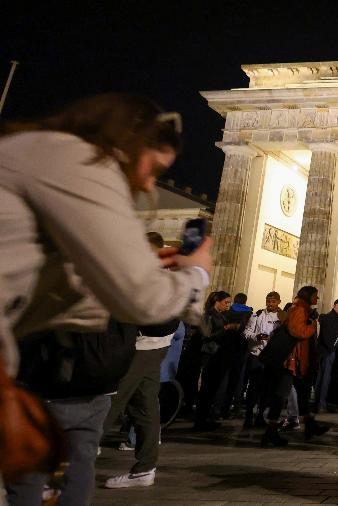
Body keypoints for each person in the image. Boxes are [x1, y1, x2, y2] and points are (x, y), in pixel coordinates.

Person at [0, 93, 211, 506]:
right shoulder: (80, 161)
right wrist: (195, 273)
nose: (150, 185)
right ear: (129, 142)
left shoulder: (38, 149)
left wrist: (132, 262)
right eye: (155, 167)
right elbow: (144, 302)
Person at [100, 232, 183, 489]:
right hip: (152, 346)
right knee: (145, 405)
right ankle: (145, 468)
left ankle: (73, 455)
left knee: (112, 398)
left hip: (143, 346)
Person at [260, 287, 328, 447]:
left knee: (302, 392)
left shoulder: (301, 309)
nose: (317, 299)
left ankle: (310, 425)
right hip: (289, 361)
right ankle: (270, 432)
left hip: (295, 361)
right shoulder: (299, 309)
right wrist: (312, 326)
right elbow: (297, 331)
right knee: (281, 394)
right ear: (309, 296)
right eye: (315, 296)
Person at [193, 291, 239, 431]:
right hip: (210, 354)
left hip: (219, 354)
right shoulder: (208, 315)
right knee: (206, 388)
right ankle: (200, 420)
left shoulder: (222, 316)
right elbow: (207, 335)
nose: (228, 305)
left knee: (213, 388)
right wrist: (226, 329)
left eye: (229, 303)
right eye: (226, 302)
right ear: (216, 301)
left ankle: (207, 417)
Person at [242, 291, 286, 428]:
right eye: (268, 301)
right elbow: (246, 332)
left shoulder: (283, 317)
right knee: (253, 387)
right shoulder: (257, 315)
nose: (270, 304)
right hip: (257, 355)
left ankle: (260, 415)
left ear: (278, 302)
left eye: (273, 302)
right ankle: (249, 415)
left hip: (273, 357)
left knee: (267, 389)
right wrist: (257, 336)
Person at [316, 299, 338, 413]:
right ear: (334, 306)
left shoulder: (337, 318)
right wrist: (332, 348)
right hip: (328, 351)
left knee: (322, 377)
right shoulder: (329, 318)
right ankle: (321, 404)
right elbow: (327, 336)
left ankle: (319, 403)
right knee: (324, 378)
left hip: (328, 351)